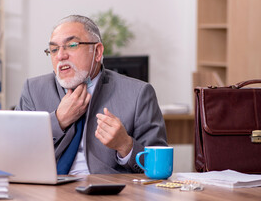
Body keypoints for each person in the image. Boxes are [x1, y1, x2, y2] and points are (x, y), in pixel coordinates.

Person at [16, 15, 167, 174]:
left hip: (108, 193)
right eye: (53, 49)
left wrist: (125, 145)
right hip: (47, 191)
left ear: (97, 52)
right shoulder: (33, 90)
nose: (60, 56)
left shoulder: (138, 93)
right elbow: (16, 153)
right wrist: (58, 121)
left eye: (71, 45)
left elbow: (159, 167)